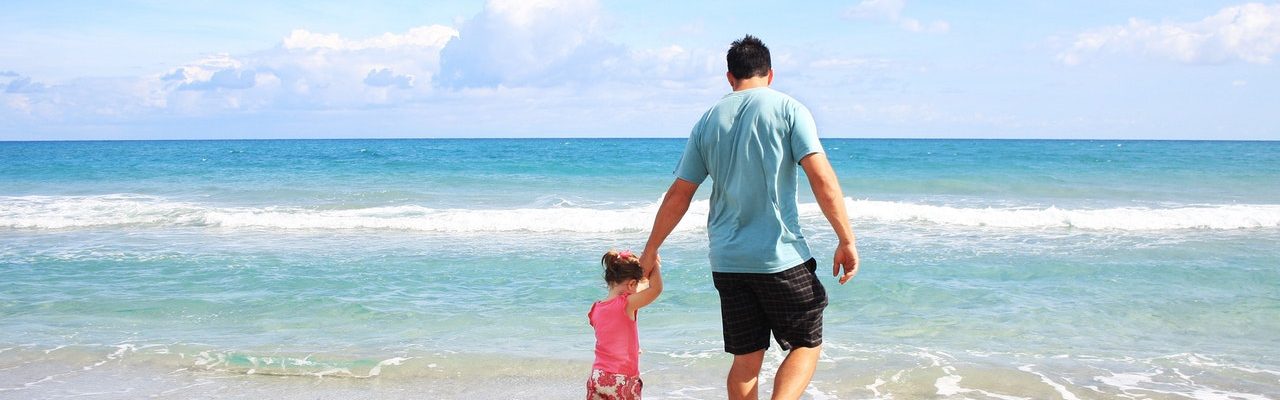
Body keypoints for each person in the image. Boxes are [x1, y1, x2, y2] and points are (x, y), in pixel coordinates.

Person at [638, 35, 860, 400]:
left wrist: (651, 250)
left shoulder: (707, 121)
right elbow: (821, 179)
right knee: (807, 341)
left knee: (745, 361)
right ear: (770, 74)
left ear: (730, 77)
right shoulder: (789, 109)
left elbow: (680, 193)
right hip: (780, 257)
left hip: (727, 261)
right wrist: (846, 239)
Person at [587, 249, 663, 400]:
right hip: (622, 379)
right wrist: (655, 265)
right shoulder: (626, 304)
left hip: (598, 376)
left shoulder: (595, 309)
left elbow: (613, 334)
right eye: (635, 286)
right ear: (632, 284)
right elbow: (655, 289)